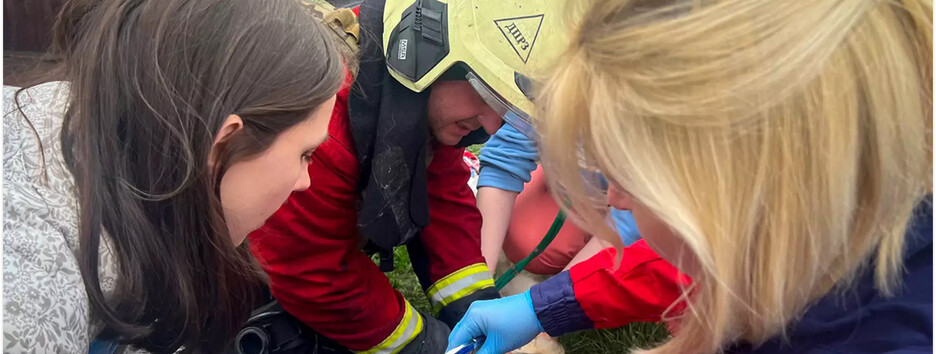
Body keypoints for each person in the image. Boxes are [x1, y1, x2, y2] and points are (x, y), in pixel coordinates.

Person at [448, 0, 933, 353]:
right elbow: (674, 267)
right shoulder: (805, 238)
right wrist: (542, 307)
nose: (614, 198)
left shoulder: (887, 336)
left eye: (632, 178)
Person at [2, 0, 346, 352]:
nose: (305, 180)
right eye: (305, 154)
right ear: (224, 144)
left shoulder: (72, 116)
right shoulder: (30, 304)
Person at [245, 0, 587, 352]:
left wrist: (475, 306)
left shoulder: (420, 93)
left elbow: (441, 196)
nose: (490, 125)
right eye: (487, 97)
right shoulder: (321, 120)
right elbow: (313, 272)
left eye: (507, 112)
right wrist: (426, 344)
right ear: (428, 55)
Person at [478, 122, 641, 277]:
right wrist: (481, 275)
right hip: (580, 189)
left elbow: (633, 220)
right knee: (526, 240)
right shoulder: (549, 96)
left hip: (646, 207)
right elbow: (506, 155)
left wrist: (555, 295)